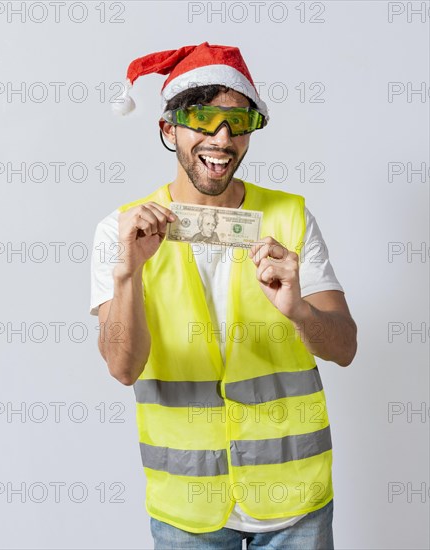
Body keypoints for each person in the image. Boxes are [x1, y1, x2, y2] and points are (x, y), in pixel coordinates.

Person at [90, 42, 357, 550]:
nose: (222, 138)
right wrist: (126, 276)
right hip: (186, 509)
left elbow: (344, 347)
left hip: (295, 500)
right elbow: (123, 369)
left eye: (238, 123)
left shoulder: (291, 218)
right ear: (168, 129)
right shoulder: (120, 231)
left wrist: (299, 310)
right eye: (202, 119)